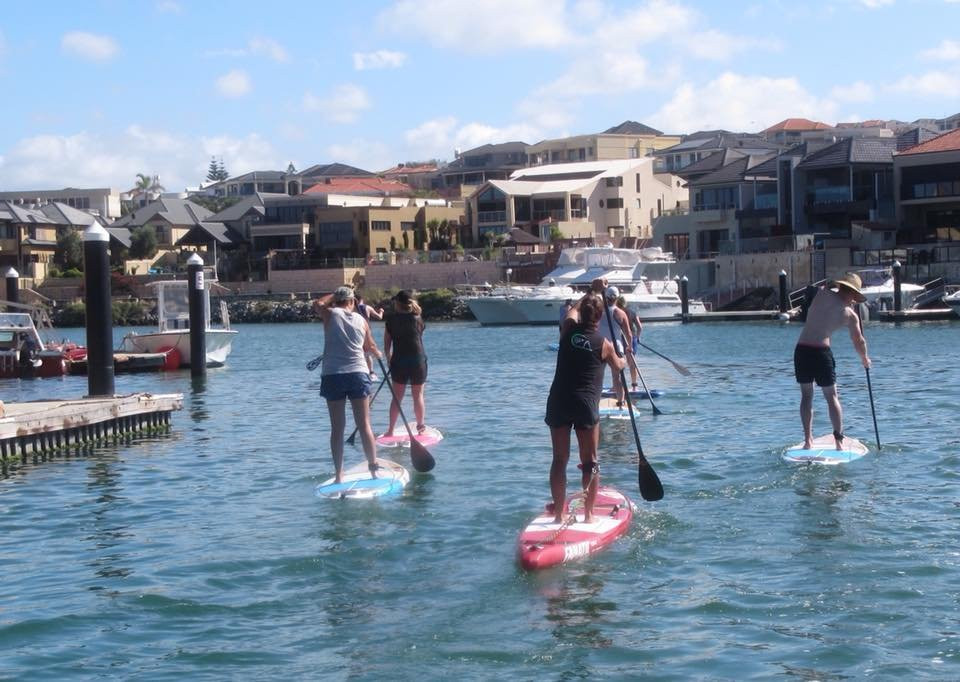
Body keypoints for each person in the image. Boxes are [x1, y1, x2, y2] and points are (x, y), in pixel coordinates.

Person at [545, 281, 626, 524]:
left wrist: (590, 291)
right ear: (600, 317)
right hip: (584, 405)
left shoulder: (567, 329)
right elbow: (619, 366)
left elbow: (572, 311)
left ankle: (559, 514)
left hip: (559, 401)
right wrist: (623, 356)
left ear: (581, 313)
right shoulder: (605, 345)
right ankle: (589, 516)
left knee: (559, 459)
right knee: (590, 461)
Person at [794, 273, 871, 451]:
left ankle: (808, 441)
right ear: (853, 294)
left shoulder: (822, 294)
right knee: (832, 397)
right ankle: (838, 443)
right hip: (821, 352)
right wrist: (864, 359)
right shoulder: (850, 315)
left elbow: (826, 286)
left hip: (802, 349)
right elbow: (859, 341)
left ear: (841, 286)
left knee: (806, 397)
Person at [314, 285, 382, 482]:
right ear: (352, 302)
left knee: (337, 428)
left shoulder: (330, 313)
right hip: (358, 375)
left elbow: (317, 303)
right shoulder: (362, 320)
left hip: (333, 375)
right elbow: (370, 347)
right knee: (365, 425)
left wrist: (333, 296)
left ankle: (338, 475)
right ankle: (373, 470)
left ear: (336, 301)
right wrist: (379, 355)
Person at [383, 289, 428, 435]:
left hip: (399, 361)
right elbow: (418, 336)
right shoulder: (418, 318)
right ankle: (421, 428)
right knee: (418, 395)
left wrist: (388, 358)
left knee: (397, 396)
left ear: (397, 303)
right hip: (418, 361)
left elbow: (387, 343)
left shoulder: (391, 319)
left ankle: (390, 430)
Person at [598, 284, 632, 406]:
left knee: (597, 377)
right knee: (617, 377)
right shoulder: (621, 313)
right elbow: (628, 333)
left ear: (605, 297)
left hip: (600, 347)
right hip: (616, 348)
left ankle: (594, 400)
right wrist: (630, 347)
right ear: (617, 298)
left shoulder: (598, 311)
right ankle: (621, 402)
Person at [616, 295, 643, 391]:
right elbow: (639, 327)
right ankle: (634, 386)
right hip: (633, 338)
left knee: (618, 362)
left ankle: (616, 386)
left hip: (622, 338)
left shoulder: (617, 312)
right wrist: (638, 338)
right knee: (632, 363)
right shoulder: (632, 312)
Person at [355, 294, 384, 378]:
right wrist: (381, 311)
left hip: (356, 332)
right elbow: (379, 317)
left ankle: (360, 370)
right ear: (362, 299)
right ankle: (371, 372)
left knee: (359, 351)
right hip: (366, 331)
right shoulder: (367, 307)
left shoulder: (352, 308)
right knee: (368, 353)